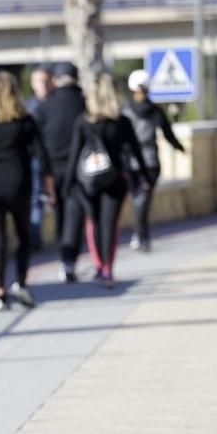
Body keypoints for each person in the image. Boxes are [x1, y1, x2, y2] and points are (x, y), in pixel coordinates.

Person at [0, 71, 53, 311]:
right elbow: (42, 155)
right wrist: (50, 186)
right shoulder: (25, 120)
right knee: (23, 235)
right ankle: (21, 282)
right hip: (20, 184)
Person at [63, 73, 147, 288]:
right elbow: (136, 151)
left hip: (88, 183)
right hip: (115, 179)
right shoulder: (122, 122)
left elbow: (74, 155)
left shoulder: (83, 122)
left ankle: (98, 265)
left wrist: (67, 185)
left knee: (94, 223)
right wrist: (144, 177)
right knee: (110, 225)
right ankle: (108, 270)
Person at [123, 69, 186, 252]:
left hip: (130, 161)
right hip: (149, 161)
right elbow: (167, 134)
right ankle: (142, 236)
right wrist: (179, 148)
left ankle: (139, 235)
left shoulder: (125, 110)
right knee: (143, 199)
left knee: (137, 198)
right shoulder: (155, 111)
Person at [35, 62, 86, 282]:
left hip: (52, 171)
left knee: (59, 214)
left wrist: (44, 173)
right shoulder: (84, 104)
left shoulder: (45, 107)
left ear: (56, 80)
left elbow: (37, 145)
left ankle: (64, 260)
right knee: (75, 215)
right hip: (80, 169)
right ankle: (71, 261)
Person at [25, 64, 55, 251]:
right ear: (32, 84)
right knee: (35, 198)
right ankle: (35, 240)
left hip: (55, 157)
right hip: (35, 158)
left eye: (45, 81)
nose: (43, 85)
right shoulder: (29, 106)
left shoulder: (55, 103)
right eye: (39, 81)